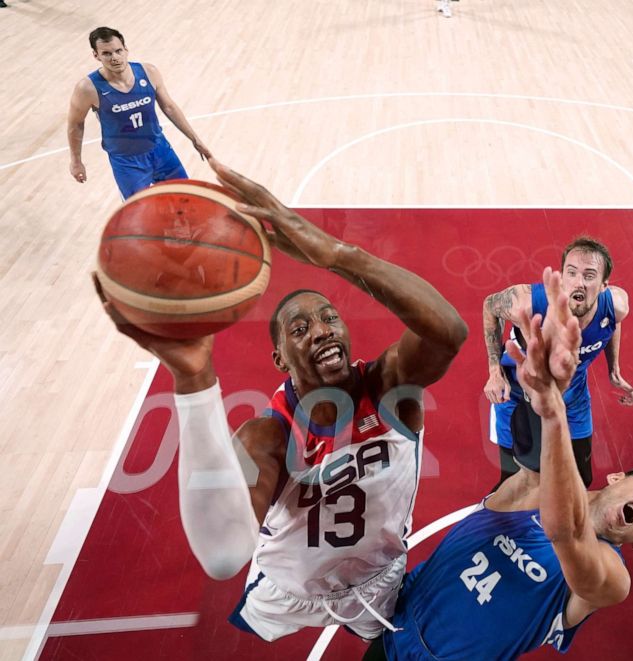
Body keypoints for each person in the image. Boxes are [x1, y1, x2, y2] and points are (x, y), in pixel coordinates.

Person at [94, 159, 468, 641]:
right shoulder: (267, 438)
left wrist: (338, 253)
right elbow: (224, 555)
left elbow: (448, 332)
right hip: (290, 588)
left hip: (379, 577)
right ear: (280, 359)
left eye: (329, 318)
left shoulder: (388, 387)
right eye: (300, 329)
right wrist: (194, 379)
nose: (321, 332)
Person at [364, 267, 633, 660]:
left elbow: (566, 532)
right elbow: (539, 465)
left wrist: (554, 409)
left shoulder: (611, 578)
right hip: (395, 629)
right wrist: (539, 377)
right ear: (619, 476)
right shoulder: (530, 488)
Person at [484, 237, 633, 489]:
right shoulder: (529, 302)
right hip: (519, 394)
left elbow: (613, 322)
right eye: (572, 273)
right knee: (512, 483)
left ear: (603, 286)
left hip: (572, 396)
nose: (578, 282)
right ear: (561, 276)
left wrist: (614, 368)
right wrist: (494, 371)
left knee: (580, 480)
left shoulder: (616, 306)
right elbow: (490, 305)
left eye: (589, 276)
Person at [67, 27, 211, 199]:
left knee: (184, 198)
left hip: (160, 150)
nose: (115, 58)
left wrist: (195, 139)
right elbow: (75, 124)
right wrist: (76, 161)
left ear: (126, 49)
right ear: (96, 56)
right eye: (106, 53)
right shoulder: (87, 88)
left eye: (118, 51)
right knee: (137, 214)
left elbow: (169, 107)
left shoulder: (148, 72)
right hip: (126, 163)